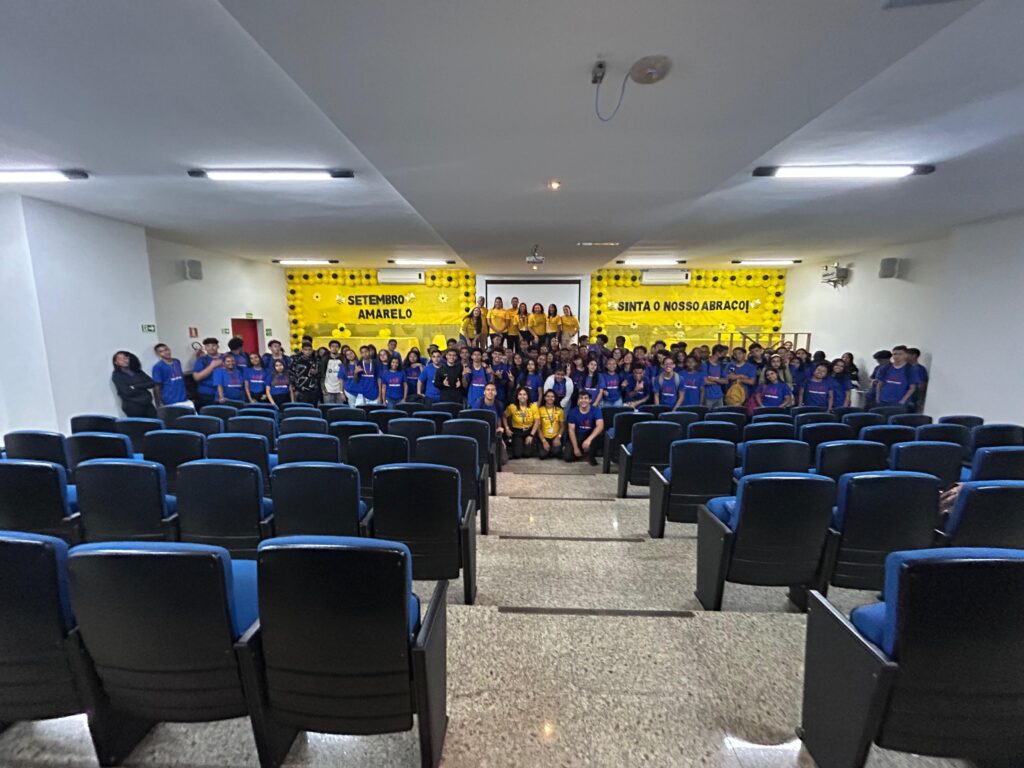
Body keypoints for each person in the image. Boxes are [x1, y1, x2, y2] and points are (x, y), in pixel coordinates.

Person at [111, 350, 157, 417]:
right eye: (120, 359)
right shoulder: (117, 375)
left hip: (147, 404)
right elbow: (127, 392)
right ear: (116, 362)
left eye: (125, 358)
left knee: (156, 422)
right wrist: (143, 386)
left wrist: (135, 386)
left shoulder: (137, 371)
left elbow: (151, 383)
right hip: (133, 406)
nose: (124, 360)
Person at [565, 390, 604, 465]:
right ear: (578, 400)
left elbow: (600, 426)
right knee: (568, 457)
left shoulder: (596, 410)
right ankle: (582, 453)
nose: (583, 400)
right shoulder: (572, 412)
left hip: (590, 436)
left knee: (597, 450)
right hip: (578, 436)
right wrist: (575, 448)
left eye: (586, 398)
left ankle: (588, 453)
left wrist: (588, 440)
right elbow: (571, 430)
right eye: (581, 398)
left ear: (590, 400)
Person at [874, 345, 918, 409]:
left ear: (906, 355)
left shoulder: (910, 370)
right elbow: (879, 384)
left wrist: (903, 401)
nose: (897, 356)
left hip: (899, 403)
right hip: (883, 401)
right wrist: (877, 397)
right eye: (895, 354)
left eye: (900, 354)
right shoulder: (885, 368)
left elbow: (912, 388)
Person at [151, 343, 192, 409]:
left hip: (183, 397)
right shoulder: (158, 367)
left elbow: (181, 378)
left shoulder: (177, 361)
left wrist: (186, 391)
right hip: (169, 399)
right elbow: (157, 386)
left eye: (166, 349)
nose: (165, 352)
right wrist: (160, 402)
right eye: (161, 351)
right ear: (158, 354)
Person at [504, 386, 539, 459]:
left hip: (529, 431)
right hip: (517, 432)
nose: (522, 396)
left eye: (524, 394)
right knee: (517, 454)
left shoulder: (533, 406)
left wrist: (531, 435)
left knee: (527, 454)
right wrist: (507, 428)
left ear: (527, 396)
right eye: (520, 394)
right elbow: (504, 416)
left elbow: (537, 421)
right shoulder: (512, 407)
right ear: (517, 396)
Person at [534, 389, 565, 460]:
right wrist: (544, 441)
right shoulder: (540, 410)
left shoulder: (559, 410)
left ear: (555, 398)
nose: (550, 398)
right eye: (548, 396)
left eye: (552, 396)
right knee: (542, 455)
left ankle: (552, 450)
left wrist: (558, 437)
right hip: (544, 437)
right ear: (544, 398)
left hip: (555, 436)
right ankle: (547, 449)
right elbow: (538, 428)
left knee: (556, 452)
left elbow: (562, 426)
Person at [192, 337, 223, 406]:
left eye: (213, 345)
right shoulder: (201, 360)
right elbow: (196, 377)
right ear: (205, 348)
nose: (211, 348)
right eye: (208, 346)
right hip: (207, 393)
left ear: (218, 346)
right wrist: (211, 366)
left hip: (225, 393)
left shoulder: (225, 357)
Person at [320, 340, 347, 404]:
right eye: (333, 346)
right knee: (328, 408)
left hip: (340, 389)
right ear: (330, 347)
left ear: (339, 348)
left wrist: (343, 390)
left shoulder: (343, 358)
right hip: (328, 388)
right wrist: (323, 388)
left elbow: (345, 374)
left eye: (336, 346)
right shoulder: (325, 358)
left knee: (340, 408)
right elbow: (322, 374)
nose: (334, 348)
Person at [703, 345, 728, 409]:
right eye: (724, 354)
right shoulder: (705, 364)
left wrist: (714, 379)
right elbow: (705, 382)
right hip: (707, 396)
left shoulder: (721, 365)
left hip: (719, 396)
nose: (725, 356)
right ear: (717, 353)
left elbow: (726, 381)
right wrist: (719, 381)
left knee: (719, 414)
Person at [906, 347, 928, 412]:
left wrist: (919, 399)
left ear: (914, 355)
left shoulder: (919, 369)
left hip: (912, 398)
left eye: (907, 355)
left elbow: (922, 385)